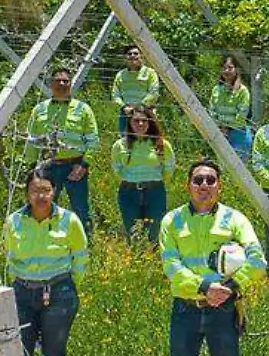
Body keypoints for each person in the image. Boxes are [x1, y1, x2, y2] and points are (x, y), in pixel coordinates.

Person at [158, 159, 267, 356]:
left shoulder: (235, 220)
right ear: (188, 185)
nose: (204, 186)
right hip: (186, 308)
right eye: (198, 180)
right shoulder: (172, 221)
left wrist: (230, 288)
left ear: (219, 185)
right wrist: (204, 287)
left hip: (223, 310)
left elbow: (258, 260)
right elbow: (171, 265)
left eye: (210, 180)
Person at [4, 165, 89, 356]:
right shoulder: (14, 221)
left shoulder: (69, 220)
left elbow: (80, 256)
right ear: (27, 192)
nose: (40, 196)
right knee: (20, 354)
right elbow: (9, 257)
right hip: (22, 294)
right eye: (35, 191)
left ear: (54, 191)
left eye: (46, 190)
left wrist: (68, 285)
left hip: (59, 293)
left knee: (54, 355)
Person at [26, 67, 100, 229]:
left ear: (70, 84)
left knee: (80, 209)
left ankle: (84, 245)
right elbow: (31, 140)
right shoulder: (39, 109)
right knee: (44, 206)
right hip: (47, 168)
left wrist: (84, 165)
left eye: (65, 81)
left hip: (75, 167)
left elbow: (93, 141)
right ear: (50, 84)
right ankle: (46, 239)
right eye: (57, 80)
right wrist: (32, 169)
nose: (61, 84)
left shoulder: (83, 109)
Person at [112, 105, 175, 244]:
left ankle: (152, 259)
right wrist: (132, 179)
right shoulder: (120, 145)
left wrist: (153, 180)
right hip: (128, 192)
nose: (140, 124)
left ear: (150, 122)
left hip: (155, 192)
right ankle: (135, 260)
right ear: (129, 122)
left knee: (155, 231)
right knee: (132, 232)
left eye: (144, 121)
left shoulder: (162, 145)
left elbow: (168, 169)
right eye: (136, 121)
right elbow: (117, 169)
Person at [209, 57, 254, 161]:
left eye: (230, 67)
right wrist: (219, 127)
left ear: (237, 70)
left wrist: (227, 128)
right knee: (223, 166)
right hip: (220, 134)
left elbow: (242, 115)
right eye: (224, 68)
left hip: (239, 135)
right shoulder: (216, 89)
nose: (227, 71)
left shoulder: (243, 91)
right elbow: (212, 111)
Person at [113, 46, 160, 135]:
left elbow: (154, 93)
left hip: (146, 113)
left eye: (136, 53)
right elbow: (115, 95)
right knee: (125, 142)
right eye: (129, 54)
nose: (132, 56)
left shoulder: (150, 73)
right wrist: (124, 107)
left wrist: (139, 107)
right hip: (126, 114)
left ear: (142, 56)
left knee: (150, 141)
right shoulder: (120, 75)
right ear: (125, 58)